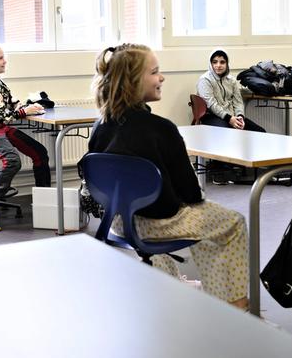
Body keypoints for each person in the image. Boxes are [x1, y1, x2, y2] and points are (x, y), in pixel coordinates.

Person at [88, 43, 249, 309]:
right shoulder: (162, 129)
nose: (161, 77)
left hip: (119, 220)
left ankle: (171, 287)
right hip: (156, 224)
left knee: (180, 216)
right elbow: (191, 194)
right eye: (155, 72)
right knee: (230, 223)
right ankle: (236, 308)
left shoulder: (100, 125)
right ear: (133, 81)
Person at [0, 44, 50, 232]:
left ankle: (45, 202)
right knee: (12, 161)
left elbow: (9, 103)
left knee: (40, 152)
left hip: (1, 128)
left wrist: (29, 106)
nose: (5, 61)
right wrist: (22, 112)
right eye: (0, 58)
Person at [196, 48, 265, 132]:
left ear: (227, 63)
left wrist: (240, 117)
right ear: (210, 64)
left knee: (260, 131)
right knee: (228, 132)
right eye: (215, 62)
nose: (218, 65)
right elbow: (211, 104)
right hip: (211, 116)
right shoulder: (205, 80)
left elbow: (238, 101)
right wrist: (229, 118)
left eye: (222, 62)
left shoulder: (232, 80)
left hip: (232, 117)